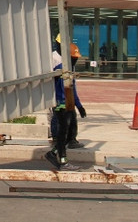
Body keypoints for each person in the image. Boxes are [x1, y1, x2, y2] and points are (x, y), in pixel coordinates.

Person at [46, 34, 86, 171]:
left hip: (68, 104)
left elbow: (72, 89)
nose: (75, 61)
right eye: (74, 59)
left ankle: (54, 153)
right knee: (63, 133)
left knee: (69, 133)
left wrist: (79, 106)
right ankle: (62, 161)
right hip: (61, 104)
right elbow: (58, 87)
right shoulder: (60, 67)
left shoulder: (69, 68)